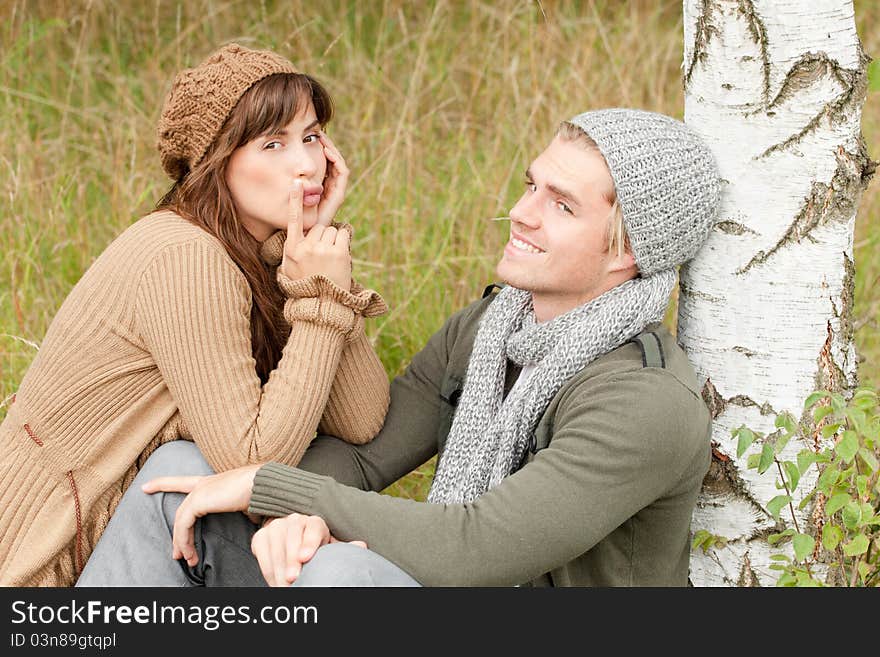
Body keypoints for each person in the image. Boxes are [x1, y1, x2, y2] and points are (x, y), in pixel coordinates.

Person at [77, 108, 721, 587]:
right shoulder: (492, 328)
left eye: (562, 206)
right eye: (532, 186)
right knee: (187, 475)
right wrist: (293, 512)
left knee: (337, 579)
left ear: (628, 251)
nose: (522, 213)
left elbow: (474, 552)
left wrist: (290, 498)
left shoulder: (644, 401)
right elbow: (363, 458)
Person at [1, 43, 390, 587]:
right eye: (272, 144)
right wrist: (322, 301)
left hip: (127, 538)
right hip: (42, 562)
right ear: (217, 162)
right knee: (200, 472)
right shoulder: (187, 257)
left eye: (310, 137)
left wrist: (315, 267)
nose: (306, 164)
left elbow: (362, 421)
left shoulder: (261, 249)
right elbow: (251, 460)